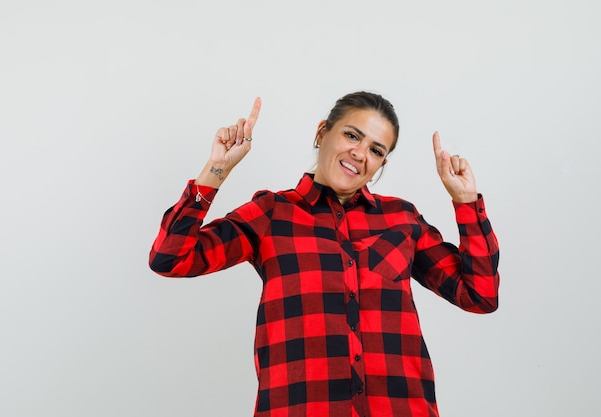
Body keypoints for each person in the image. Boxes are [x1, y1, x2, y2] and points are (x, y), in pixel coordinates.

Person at [149, 91, 500, 417]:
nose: (361, 154)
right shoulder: (272, 213)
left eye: (377, 150)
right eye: (352, 135)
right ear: (323, 132)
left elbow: (480, 295)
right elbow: (170, 258)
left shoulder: (401, 219)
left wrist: (466, 203)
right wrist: (216, 170)